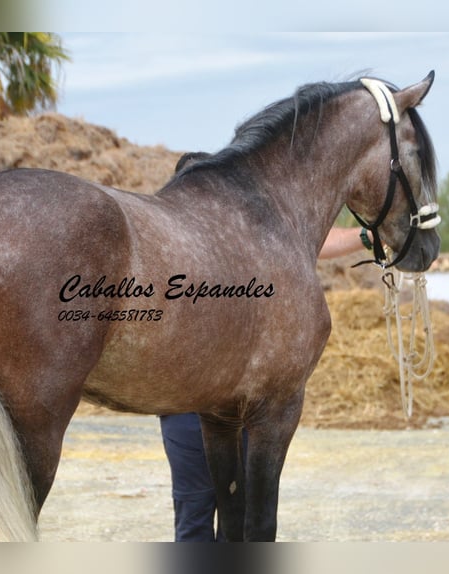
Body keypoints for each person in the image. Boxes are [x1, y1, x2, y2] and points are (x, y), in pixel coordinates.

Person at [160, 153, 377, 541]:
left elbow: (307, 238)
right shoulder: (169, 259)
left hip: (241, 408)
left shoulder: (248, 255)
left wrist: (367, 236)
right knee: (194, 514)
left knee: (238, 516)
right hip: (186, 410)